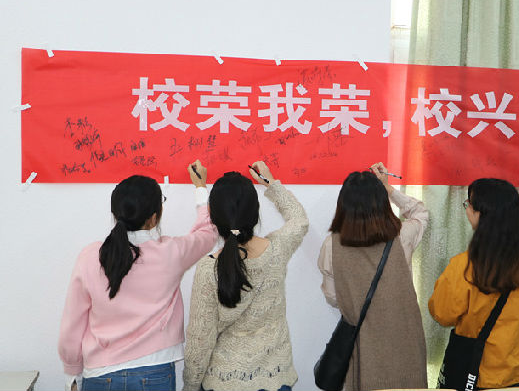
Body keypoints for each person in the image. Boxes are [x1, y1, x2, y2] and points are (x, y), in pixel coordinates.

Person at [58, 160, 217, 391]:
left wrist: (72, 374)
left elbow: (72, 322)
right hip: (154, 371)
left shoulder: (90, 256)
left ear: (115, 213)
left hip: (100, 373)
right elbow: (208, 233)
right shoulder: (171, 252)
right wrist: (200, 187)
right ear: (153, 217)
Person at [183, 161, 309, 391]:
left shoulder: (208, 268)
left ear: (213, 216)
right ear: (256, 212)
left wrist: (190, 386)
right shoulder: (277, 249)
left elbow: (199, 341)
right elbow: (299, 220)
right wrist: (270, 183)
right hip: (275, 377)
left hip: (223, 381)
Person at [429, 170, 519, 389]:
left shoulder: (464, 266)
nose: (467, 209)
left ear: (481, 215)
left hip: (476, 375)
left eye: (469, 204)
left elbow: (442, 313)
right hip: (517, 377)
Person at [317, 162, 429, 391]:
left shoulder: (331, 245)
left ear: (343, 205)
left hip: (362, 346)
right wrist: (389, 188)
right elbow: (420, 212)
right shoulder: (402, 236)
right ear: (382, 204)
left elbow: (333, 298)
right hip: (405, 342)